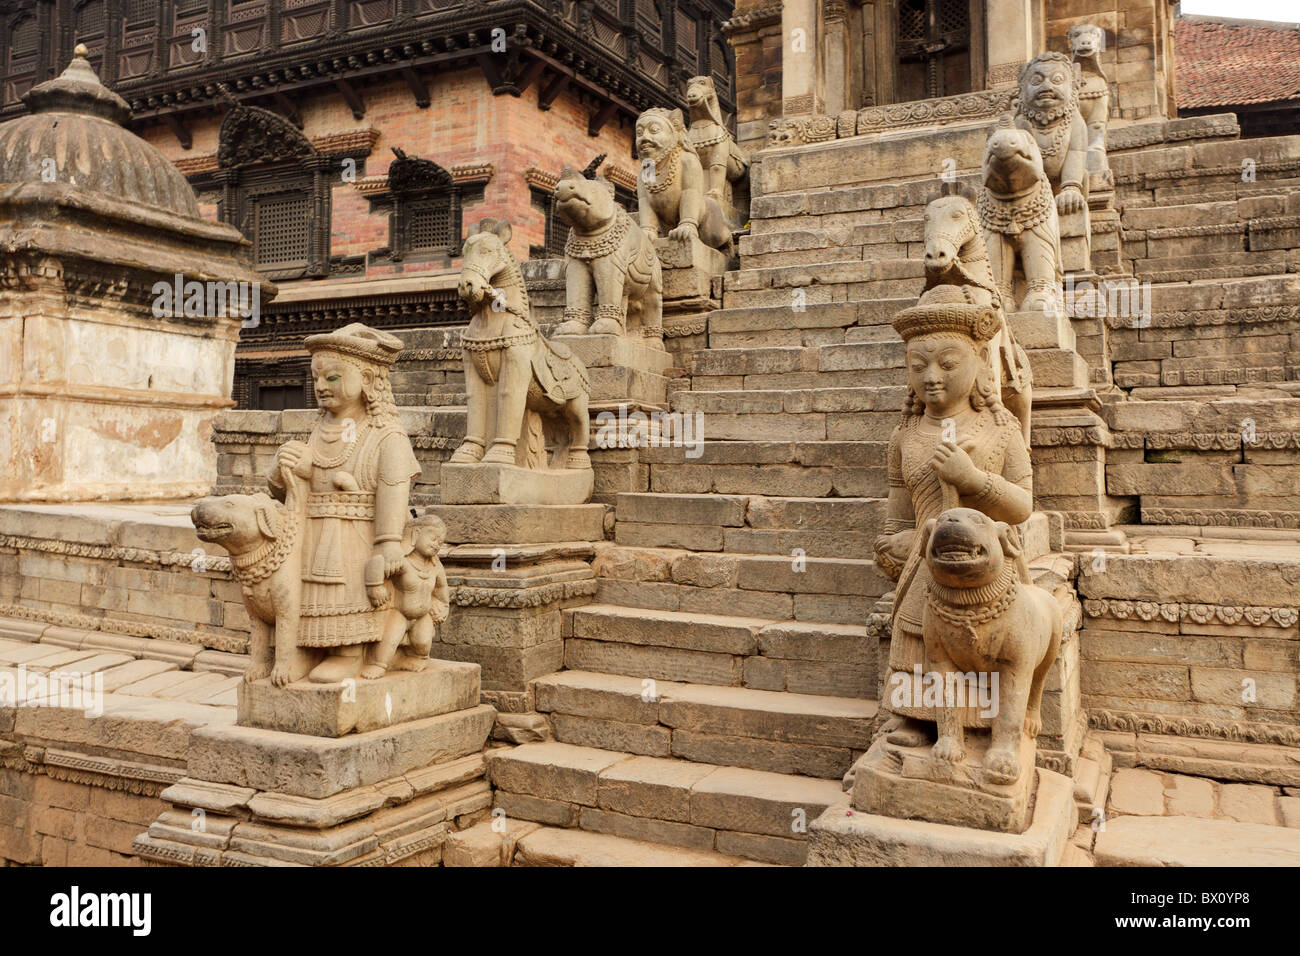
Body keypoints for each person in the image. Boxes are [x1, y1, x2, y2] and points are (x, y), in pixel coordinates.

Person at [873, 286, 1034, 741]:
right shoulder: (904, 437)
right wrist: (895, 543)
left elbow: (1022, 506)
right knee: (916, 631)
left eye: (948, 364)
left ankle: (979, 723)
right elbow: (898, 518)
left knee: (981, 640)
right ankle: (915, 717)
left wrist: (973, 480)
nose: (931, 377)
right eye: (918, 365)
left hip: (985, 566)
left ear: (982, 364)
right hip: (926, 565)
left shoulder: (1001, 431)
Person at [270, 323, 421, 684]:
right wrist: (284, 469)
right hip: (312, 529)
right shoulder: (318, 429)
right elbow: (285, 492)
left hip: (356, 534)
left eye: (333, 378)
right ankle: (313, 648)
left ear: (367, 378)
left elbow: (394, 491)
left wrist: (387, 541)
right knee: (311, 595)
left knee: (344, 592)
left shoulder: (387, 435)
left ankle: (350, 651)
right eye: (317, 378)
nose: (321, 386)